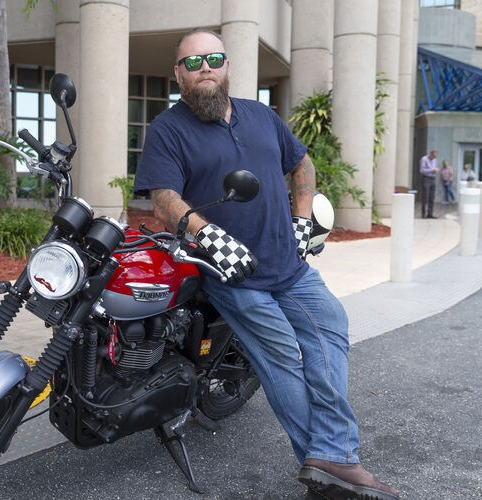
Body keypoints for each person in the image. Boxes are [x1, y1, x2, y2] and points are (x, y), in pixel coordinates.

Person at [133, 28, 399, 500]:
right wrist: (206, 233)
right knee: (280, 357)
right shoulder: (168, 129)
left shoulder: (261, 115)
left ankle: (331, 455)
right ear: (178, 75)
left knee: (330, 326)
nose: (205, 68)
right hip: (232, 275)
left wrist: (302, 221)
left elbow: (303, 164)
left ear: (228, 65)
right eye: (192, 63)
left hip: (289, 265)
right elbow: (162, 198)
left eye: (213, 58)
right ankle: (333, 465)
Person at [419, 150, 439, 218]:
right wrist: (432, 170)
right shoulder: (424, 159)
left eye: (435, 157)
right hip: (426, 178)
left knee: (432, 197)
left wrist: (435, 170)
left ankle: (430, 214)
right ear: (431, 154)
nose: (434, 158)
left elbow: (433, 168)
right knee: (425, 197)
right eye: (433, 156)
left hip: (433, 178)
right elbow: (422, 170)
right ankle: (423, 214)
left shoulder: (434, 160)